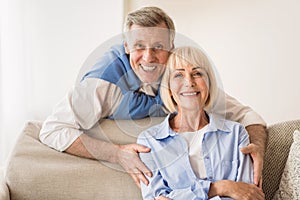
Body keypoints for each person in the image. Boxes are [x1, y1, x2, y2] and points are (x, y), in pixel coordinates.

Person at [39, 6, 267, 188]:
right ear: (126, 46)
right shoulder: (101, 82)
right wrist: (117, 154)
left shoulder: (183, 77)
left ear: (171, 46)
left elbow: (247, 115)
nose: (149, 57)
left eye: (158, 46)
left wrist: (256, 145)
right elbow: (52, 129)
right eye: (139, 46)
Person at [137, 46, 265, 200]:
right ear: (169, 88)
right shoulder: (149, 142)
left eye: (197, 73)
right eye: (178, 75)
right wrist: (220, 187)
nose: (189, 82)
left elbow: (248, 195)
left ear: (209, 83)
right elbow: (155, 198)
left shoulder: (236, 134)